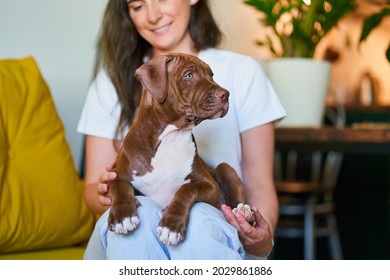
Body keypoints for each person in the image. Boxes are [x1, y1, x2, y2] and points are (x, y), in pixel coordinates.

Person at [77, 0, 286, 260]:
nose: (153, 15)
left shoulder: (243, 72)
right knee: (140, 217)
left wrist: (261, 243)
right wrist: (113, 196)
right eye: (138, 6)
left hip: (209, 227)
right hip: (137, 223)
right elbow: (92, 189)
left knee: (199, 217)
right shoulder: (111, 82)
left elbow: (260, 184)